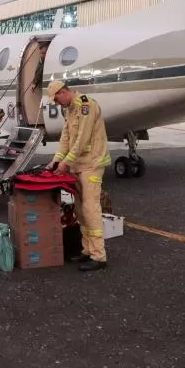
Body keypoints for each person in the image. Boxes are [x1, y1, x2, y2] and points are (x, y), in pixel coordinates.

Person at [45, 80, 111, 272]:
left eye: (57, 99)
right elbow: (66, 137)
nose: (57, 104)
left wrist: (65, 163)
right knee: (80, 210)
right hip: (77, 165)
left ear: (64, 92)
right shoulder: (70, 109)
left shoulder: (85, 105)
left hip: (92, 164)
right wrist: (56, 160)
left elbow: (82, 139)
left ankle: (99, 255)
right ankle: (87, 249)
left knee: (91, 208)